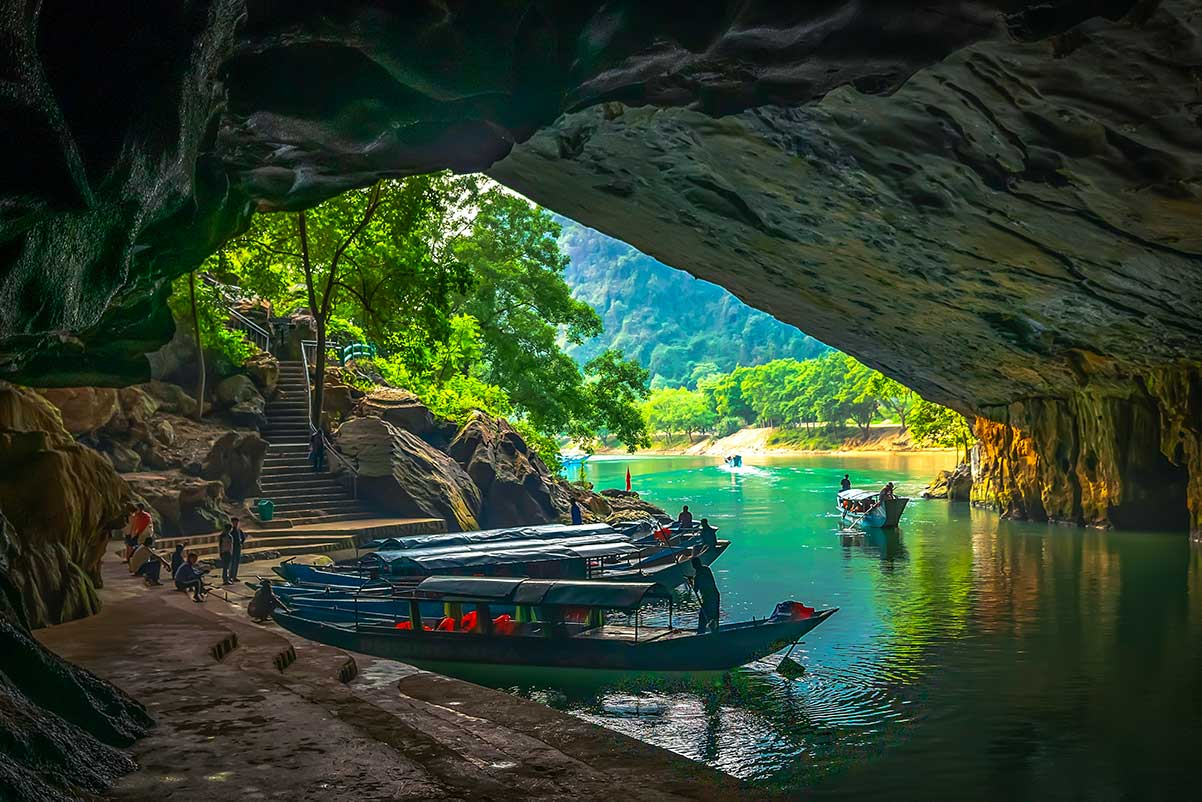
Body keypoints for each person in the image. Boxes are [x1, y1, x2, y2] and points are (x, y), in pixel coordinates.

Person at [689, 556, 720, 634]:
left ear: (693, 565)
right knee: (714, 615)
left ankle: (702, 633)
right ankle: (715, 631)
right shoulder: (706, 569)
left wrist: (691, 581)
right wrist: (692, 579)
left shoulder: (698, 576)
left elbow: (695, 589)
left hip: (708, 598)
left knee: (704, 617)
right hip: (715, 596)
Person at [228, 517, 246, 582]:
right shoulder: (231, 531)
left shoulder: (239, 530)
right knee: (232, 563)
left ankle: (234, 576)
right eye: (234, 522)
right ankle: (230, 576)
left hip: (238, 548)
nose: (235, 524)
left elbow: (243, 537)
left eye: (237, 522)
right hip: (232, 548)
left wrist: (241, 543)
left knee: (236, 562)